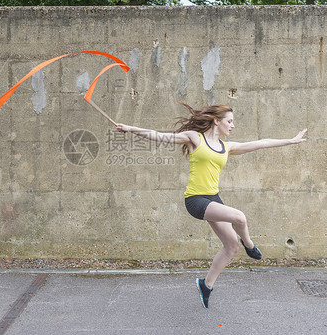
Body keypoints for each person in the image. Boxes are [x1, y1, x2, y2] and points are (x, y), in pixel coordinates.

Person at [115, 103, 307, 309]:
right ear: (217, 120)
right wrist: (130, 129)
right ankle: (250, 245)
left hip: (214, 199)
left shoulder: (227, 147)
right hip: (196, 200)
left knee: (231, 246)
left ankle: (206, 285)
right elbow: (160, 136)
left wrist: (291, 141)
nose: (233, 125)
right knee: (240, 218)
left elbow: (261, 143)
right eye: (229, 121)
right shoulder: (194, 138)